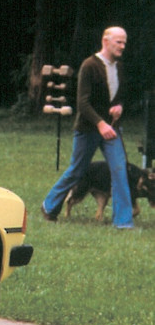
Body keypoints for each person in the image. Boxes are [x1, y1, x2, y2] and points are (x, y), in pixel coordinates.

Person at [42, 26, 134, 229]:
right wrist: (100, 124)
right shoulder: (89, 65)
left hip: (111, 129)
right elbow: (82, 103)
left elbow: (119, 97)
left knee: (120, 170)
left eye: (124, 42)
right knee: (77, 170)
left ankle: (123, 222)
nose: (122, 46)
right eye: (119, 42)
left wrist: (119, 107)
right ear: (106, 41)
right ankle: (49, 206)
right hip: (88, 128)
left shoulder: (119, 67)